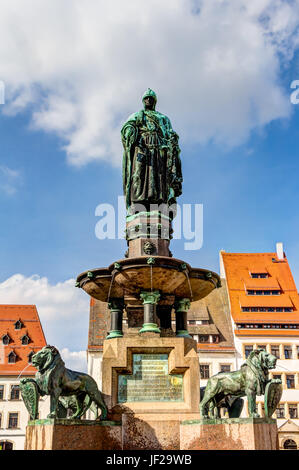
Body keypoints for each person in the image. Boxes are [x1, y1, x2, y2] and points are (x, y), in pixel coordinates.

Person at [121, 88, 182, 212]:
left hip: (158, 151)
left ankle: (158, 202)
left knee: (158, 177)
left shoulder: (163, 118)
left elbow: (170, 135)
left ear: (155, 101)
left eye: (150, 98)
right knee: (138, 175)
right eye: (146, 98)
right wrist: (130, 132)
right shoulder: (138, 115)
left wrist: (172, 143)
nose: (148, 100)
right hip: (142, 149)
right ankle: (138, 202)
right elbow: (128, 127)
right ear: (143, 101)